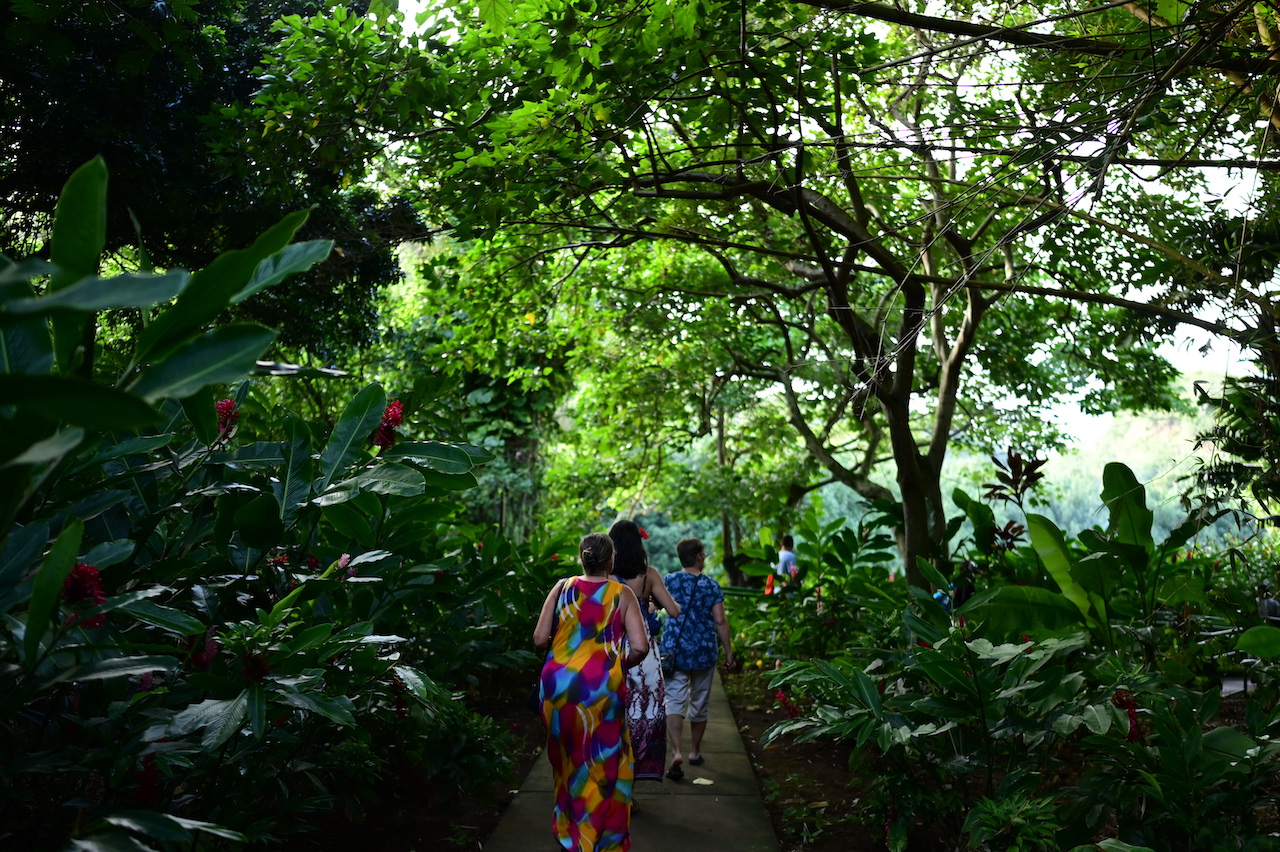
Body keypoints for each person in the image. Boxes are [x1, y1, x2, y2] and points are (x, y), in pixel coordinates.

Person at [534, 532, 649, 852]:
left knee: (567, 762)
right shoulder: (621, 593)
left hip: (557, 689)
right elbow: (640, 646)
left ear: (582, 558)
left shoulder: (561, 588)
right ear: (611, 561)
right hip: (600, 690)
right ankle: (598, 840)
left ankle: (569, 833)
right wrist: (618, 662)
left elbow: (540, 639)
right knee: (605, 762)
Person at [608, 519, 682, 784]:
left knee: (614, 714)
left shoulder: (606, 577)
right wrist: (654, 605)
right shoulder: (649, 575)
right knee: (644, 714)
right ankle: (634, 781)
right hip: (644, 654)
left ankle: (613, 779)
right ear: (639, 543)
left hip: (612, 650)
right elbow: (674, 611)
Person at [660, 537, 734, 780]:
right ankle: (694, 752)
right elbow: (720, 621)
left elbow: (650, 608)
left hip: (675, 650)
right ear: (699, 556)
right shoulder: (711, 586)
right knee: (699, 701)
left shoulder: (668, 581)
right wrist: (729, 653)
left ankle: (677, 751)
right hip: (703, 651)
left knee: (674, 701)